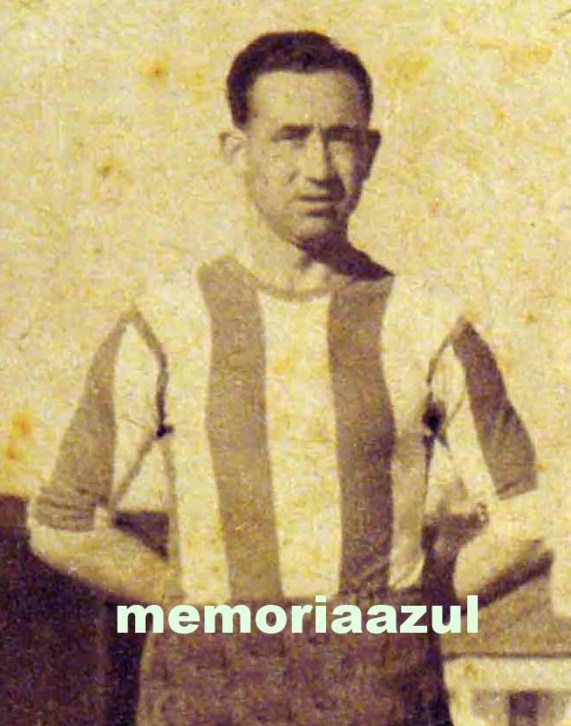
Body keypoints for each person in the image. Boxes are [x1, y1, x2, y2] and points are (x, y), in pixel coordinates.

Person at [28, 31, 542, 725]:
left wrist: (414, 610)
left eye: (340, 139)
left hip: (377, 696)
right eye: (289, 138)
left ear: (370, 151)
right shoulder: (167, 324)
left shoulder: (427, 326)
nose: (317, 168)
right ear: (237, 151)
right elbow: (61, 522)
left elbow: (528, 520)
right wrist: (191, 602)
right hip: (206, 696)